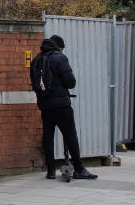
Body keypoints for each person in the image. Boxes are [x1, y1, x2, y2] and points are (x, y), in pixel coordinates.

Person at [30, 34, 98, 180]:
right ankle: (79, 169)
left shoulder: (36, 60)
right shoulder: (60, 58)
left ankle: (51, 171)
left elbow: (34, 84)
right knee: (70, 135)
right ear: (59, 47)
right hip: (61, 104)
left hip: (44, 105)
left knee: (48, 136)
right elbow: (71, 82)